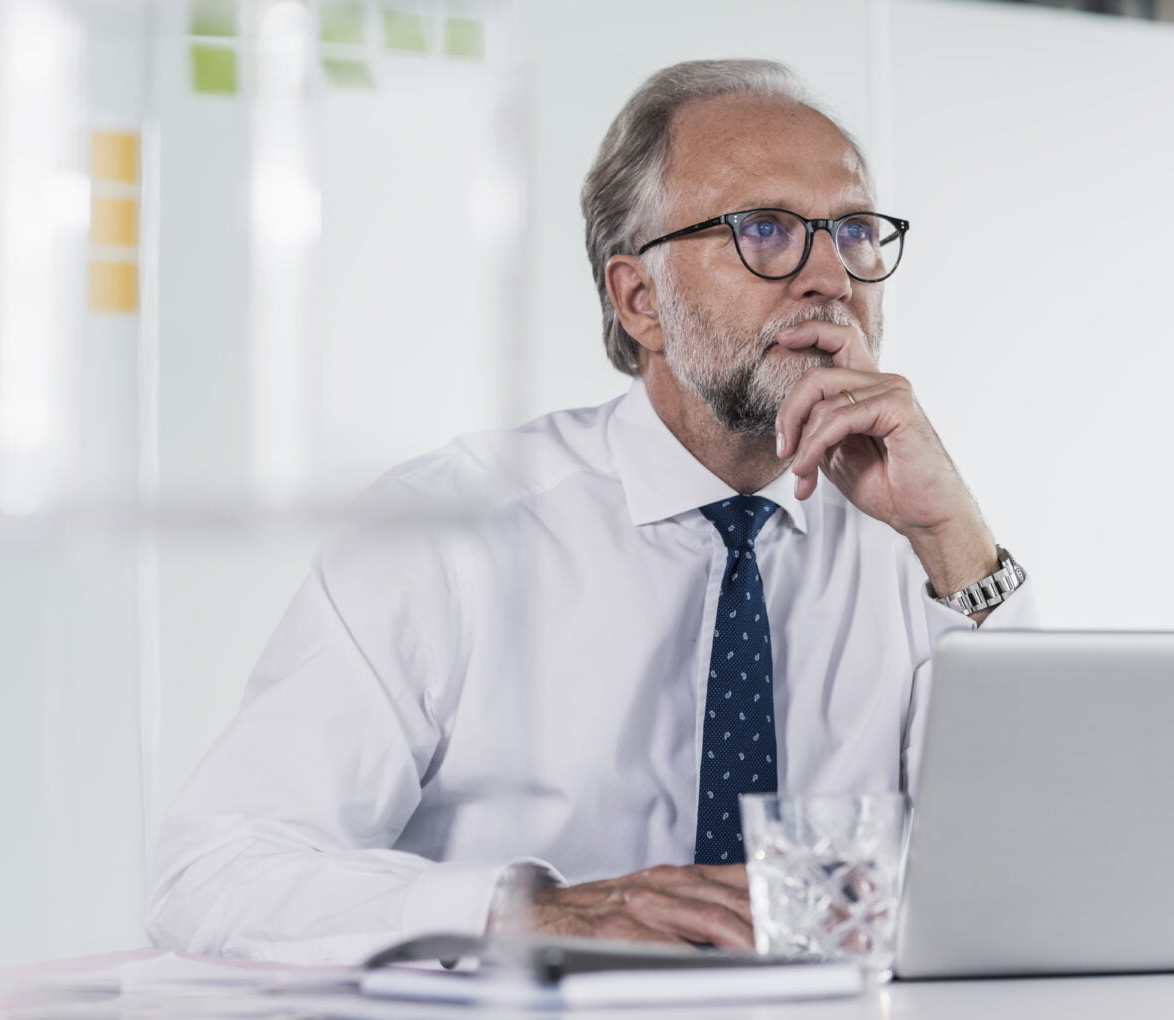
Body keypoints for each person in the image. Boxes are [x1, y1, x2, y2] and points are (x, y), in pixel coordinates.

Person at [146, 58, 1038, 964]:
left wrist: (953, 538)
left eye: (852, 233)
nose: (829, 277)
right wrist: (534, 912)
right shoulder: (450, 531)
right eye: (766, 230)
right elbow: (213, 874)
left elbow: (1044, 876)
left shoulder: (915, 546)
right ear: (638, 298)